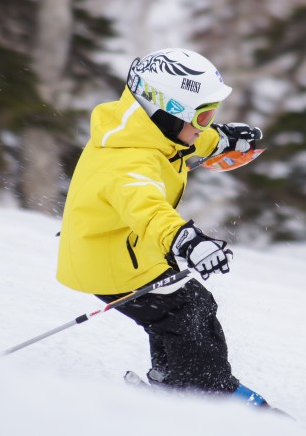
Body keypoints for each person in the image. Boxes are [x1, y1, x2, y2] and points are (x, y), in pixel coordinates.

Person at [56, 48, 267, 405]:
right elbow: (148, 208)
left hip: (128, 248)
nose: (207, 124)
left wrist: (222, 139)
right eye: (203, 117)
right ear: (165, 112)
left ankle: (175, 377)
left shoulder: (149, 130)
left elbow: (187, 139)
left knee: (177, 309)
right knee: (188, 310)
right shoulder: (128, 162)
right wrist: (186, 239)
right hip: (112, 263)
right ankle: (205, 391)